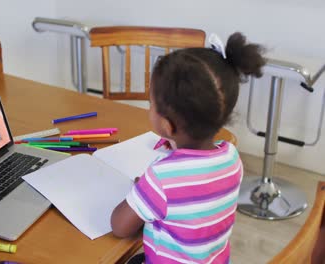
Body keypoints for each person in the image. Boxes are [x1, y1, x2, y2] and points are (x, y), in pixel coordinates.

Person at [111, 32, 266, 264]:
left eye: (150, 103)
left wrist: (144, 192)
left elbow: (120, 227)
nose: (149, 108)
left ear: (166, 125)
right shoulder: (232, 157)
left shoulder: (161, 177)